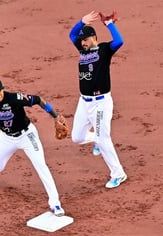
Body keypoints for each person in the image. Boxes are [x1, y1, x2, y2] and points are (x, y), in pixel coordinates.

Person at [0, 77, 65, 216]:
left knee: (41, 166)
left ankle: (55, 203)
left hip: (27, 136)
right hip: (6, 138)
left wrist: (55, 116)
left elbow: (38, 99)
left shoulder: (14, 98)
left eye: (0, 91)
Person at [69, 11, 128, 189]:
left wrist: (109, 24)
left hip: (101, 103)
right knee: (77, 138)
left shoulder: (104, 50)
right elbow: (71, 34)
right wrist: (81, 22)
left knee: (104, 138)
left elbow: (119, 41)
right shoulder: (81, 50)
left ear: (93, 37)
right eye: (81, 41)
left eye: (85, 40)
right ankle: (96, 139)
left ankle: (118, 174)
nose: (83, 43)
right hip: (84, 102)